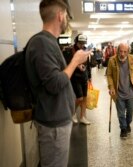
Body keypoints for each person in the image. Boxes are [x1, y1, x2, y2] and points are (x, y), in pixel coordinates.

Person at [25, 0, 91, 166]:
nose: (68, 19)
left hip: (58, 120)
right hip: (54, 124)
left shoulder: (49, 42)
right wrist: (75, 62)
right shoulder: (42, 43)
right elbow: (54, 84)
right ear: (60, 16)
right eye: (67, 16)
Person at [107, 43, 133, 138]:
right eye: (121, 51)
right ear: (117, 51)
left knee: (130, 113)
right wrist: (111, 87)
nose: (122, 54)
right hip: (118, 92)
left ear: (128, 51)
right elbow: (109, 75)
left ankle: (127, 123)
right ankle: (123, 129)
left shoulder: (132, 58)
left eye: (125, 52)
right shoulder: (112, 60)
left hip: (130, 91)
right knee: (121, 114)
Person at [68, 34, 92, 125]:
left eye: (84, 43)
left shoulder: (85, 50)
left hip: (84, 76)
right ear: (76, 42)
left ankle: (82, 117)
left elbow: (88, 64)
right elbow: (68, 63)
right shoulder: (71, 50)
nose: (82, 45)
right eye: (80, 43)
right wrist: (78, 66)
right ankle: (72, 113)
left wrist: (89, 77)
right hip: (75, 77)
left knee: (85, 98)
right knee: (80, 98)